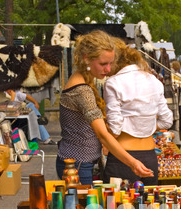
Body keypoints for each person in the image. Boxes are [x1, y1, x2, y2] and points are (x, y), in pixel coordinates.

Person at [56, 30, 154, 186]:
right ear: (86, 59)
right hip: (77, 165)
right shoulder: (82, 90)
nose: (108, 69)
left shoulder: (82, 80)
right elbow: (102, 135)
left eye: (110, 63)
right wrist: (132, 163)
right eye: (103, 64)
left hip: (77, 162)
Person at [102, 40, 173, 185]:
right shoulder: (153, 80)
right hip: (149, 155)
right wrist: (146, 126)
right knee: (148, 206)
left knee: (117, 206)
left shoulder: (113, 82)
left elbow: (115, 128)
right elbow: (167, 120)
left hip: (123, 157)